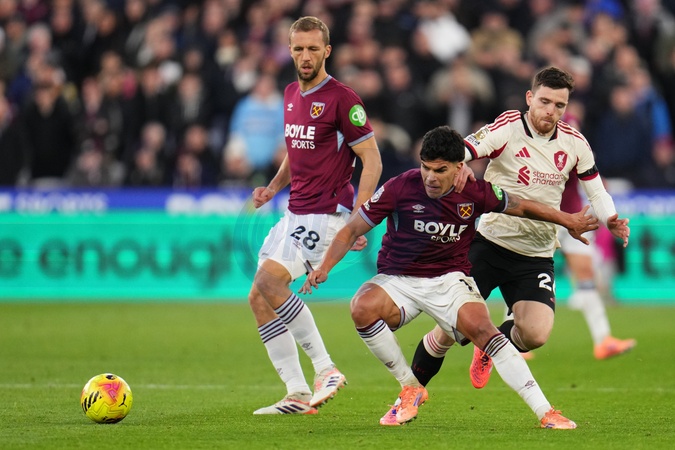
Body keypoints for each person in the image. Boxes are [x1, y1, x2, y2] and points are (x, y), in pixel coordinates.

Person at [300, 125, 597, 427]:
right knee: (361, 307)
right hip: (399, 279)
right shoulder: (399, 187)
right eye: (425, 167)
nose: (430, 177)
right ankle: (410, 386)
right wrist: (325, 266)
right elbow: (352, 229)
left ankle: (545, 412)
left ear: (459, 167)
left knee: (485, 332)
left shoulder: (475, 191)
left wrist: (567, 220)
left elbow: (521, 206)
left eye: (440, 170)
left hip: (449, 280)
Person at [408, 66, 631, 391]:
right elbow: (468, 147)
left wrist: (610, 217)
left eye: (559, 105)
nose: (551, 110)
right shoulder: (509, 126)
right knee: (448, 332)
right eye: (544, 101)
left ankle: (489, 345)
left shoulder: (574, 143)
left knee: (535, 335)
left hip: (536, 255)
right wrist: (461, 163)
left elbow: (596, 190)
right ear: (530, 98)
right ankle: (409, 393)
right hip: (490, 244)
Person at [248, 16, 382, 415]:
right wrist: (274, 186)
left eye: (313, 48)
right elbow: (296, 149)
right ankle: (296, 393)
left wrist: (359, 217)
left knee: (269, 282)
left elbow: (372, 160)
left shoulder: (343, 99)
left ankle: (326, 369)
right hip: (295, 211)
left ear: (327, 51)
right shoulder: (291, 93)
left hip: (326, 214)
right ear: (289, 51)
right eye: (298, 48)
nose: (305, 56)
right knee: (258, 297)